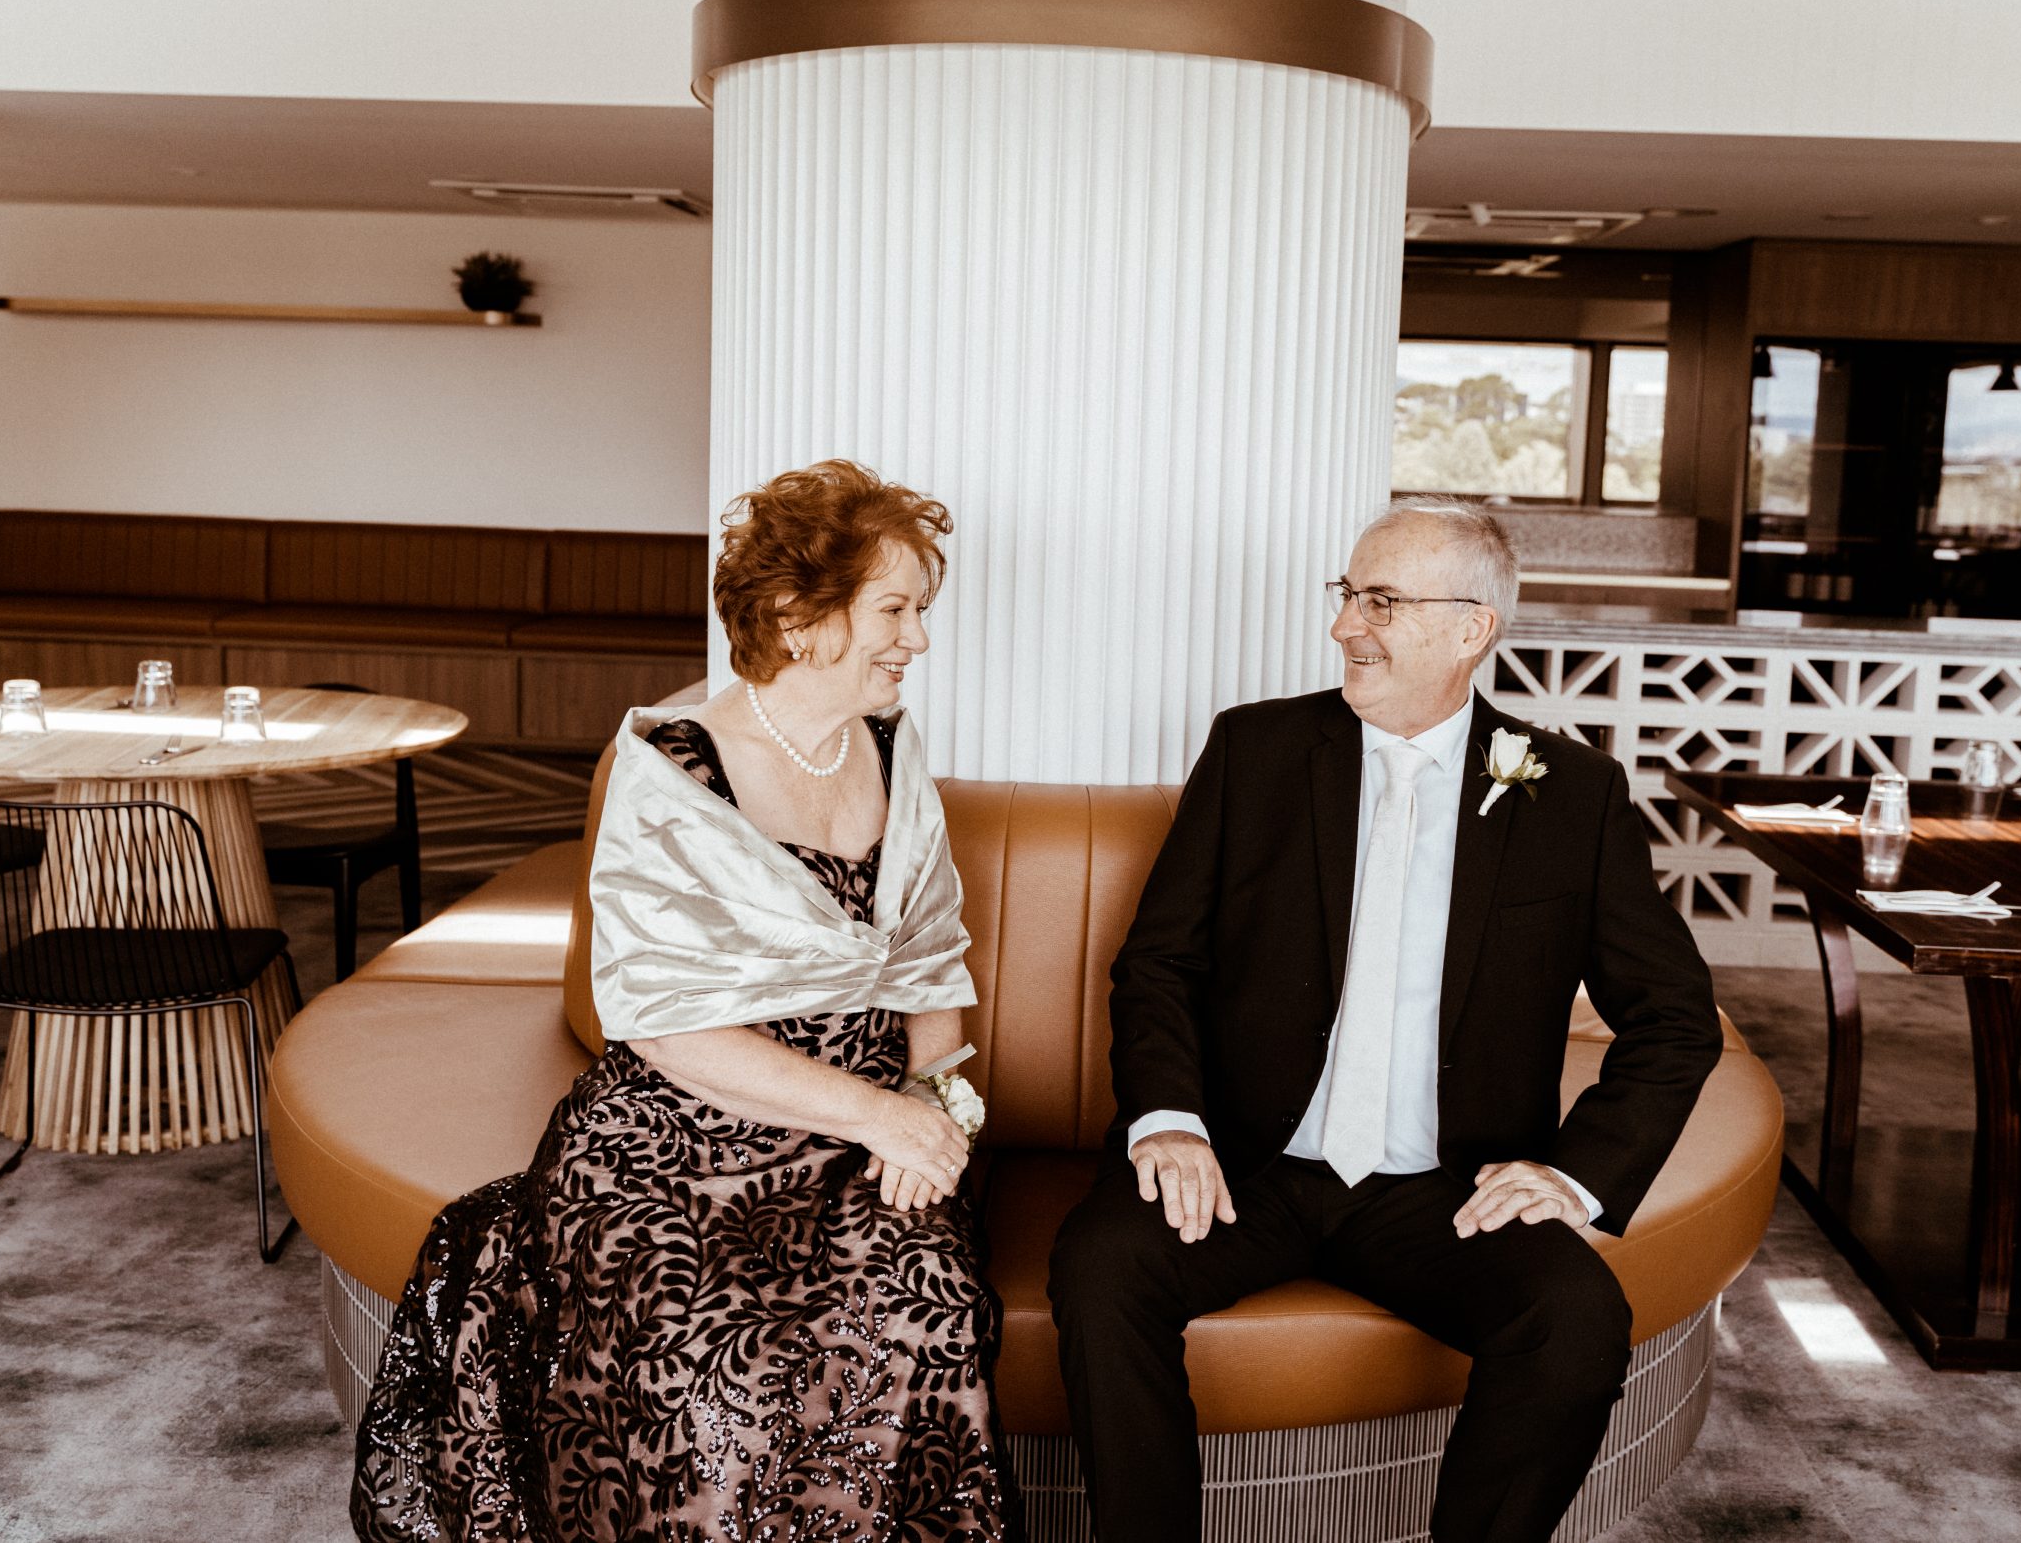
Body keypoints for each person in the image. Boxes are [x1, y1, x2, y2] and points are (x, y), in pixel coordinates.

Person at [353, 460, 1010, 1542]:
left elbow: (931, 956)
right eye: (894, 610)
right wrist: (880, 1114)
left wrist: (930, 1101)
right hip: (682, 1130)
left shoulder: (891, 746)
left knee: (923, 1305)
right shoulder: (672, 766)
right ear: (798, 618)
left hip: (861, 1136)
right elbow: (664, 1025)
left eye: (919, 611)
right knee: (705, 1357)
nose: (919, 639)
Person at [1049, 496, 1722, 1543]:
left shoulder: (1571, 793)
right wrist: (1169, 1119)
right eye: (1348, 594)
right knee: (1102, 1271)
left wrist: (1573, 1175)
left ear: (1471, 630)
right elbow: (1160, 962)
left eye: (1380, 602)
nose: (1343, 626)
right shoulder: (1255, 749)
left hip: (1445, 1192)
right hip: (1244, 1166)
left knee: (1575, 1321)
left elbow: (1675, 1017)